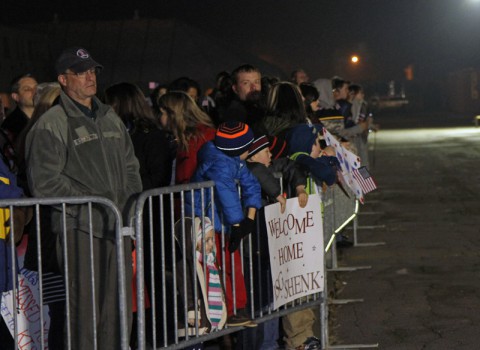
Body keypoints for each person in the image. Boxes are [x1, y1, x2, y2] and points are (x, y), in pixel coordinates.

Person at [25, 46, 142, 350]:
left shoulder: (109, 117)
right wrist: (94, 203)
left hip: (117, 227)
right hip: (80, 229)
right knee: (85, 314)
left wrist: (127, 210)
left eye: (92, 71)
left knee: (117, 310)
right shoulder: (52, 123)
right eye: (81, 72)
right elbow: (45, 182)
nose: (90, 77)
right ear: (63, 79)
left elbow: (131, 167)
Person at [187, 121, 262, 326]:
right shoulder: (219, 162)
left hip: (222, 223)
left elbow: (251, 183)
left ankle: (239, 307)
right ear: (240, 148)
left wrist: (250, 217)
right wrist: (238, 224)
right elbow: (226, 193)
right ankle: (227, 311)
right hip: (205, 223)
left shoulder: (234, 160)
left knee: (232, 263)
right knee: (216, 266)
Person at [244, 135, 308, 350]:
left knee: (270, 300)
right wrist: (277, 193)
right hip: (253, 249)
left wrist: (299, 187)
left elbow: (290, 165)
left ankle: (269, 344)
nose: (271, 155)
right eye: (266, 152)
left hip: (268, 249)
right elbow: (255, 170)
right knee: (258, 304)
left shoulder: (270, 167)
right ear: (252, 155)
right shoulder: (248, 170)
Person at [174, 216, 227, 336]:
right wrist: (192, 312)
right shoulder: (186, 264)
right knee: (194, 344)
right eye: (206, 240)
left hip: (206, 313)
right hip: (194, 316)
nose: (211, 243)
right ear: (194, 241)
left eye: (212, 239)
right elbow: (186, 290)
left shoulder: (210, 261)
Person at [157, 91, 216, 185]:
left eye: (161, 113)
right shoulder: (174, 138)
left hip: (197, 196)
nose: (159, 117)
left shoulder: (203, 136)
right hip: (182, 196)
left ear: (173, 114)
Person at [2, 74, 38, 143]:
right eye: (27, 89)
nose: (35, 92)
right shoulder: (11, 126)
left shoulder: (48, 115)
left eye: (36, 88)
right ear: (16, 97)